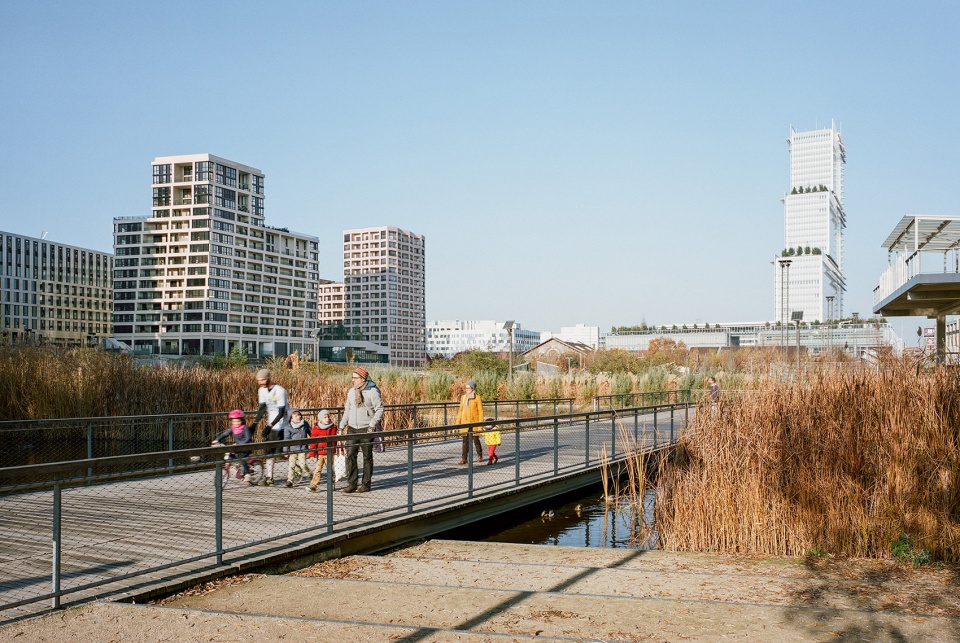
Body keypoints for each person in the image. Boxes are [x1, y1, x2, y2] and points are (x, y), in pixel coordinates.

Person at [339, 366, 384, 493]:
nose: (352, 380)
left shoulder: (372, 391)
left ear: (363, 379)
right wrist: (341, 426)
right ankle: (352, 483)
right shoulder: (351, 392)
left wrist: (372, 424)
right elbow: (347, 410)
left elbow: (380, 409)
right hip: (352, 428)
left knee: (367, 457)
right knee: (350, 455)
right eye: (352, 378)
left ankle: (366, 484)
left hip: (366, 428)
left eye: (355, 378)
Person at [252, 368, 289, 487]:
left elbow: (281, 412)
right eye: (258, 380)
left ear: (268, 378)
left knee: (281, 452)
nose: (260, 383)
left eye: (263, 380)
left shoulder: (280, 391)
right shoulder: (261, 390)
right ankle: (269, 477)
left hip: (281, 423)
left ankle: (295, 469)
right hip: (271, 422)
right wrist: (254, 424)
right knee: (269, 451)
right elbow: (262, 408)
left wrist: (270, 426)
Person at [211, 409, 254, 484]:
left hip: (246, 446)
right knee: (230, 457)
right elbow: (225, 434)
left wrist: (239, 445)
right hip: (237, 447)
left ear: (242, 421)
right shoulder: (233, 428)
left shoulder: (245, 428)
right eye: (234, 421)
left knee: (242, 458)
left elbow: (247, 439)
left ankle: (247, 474)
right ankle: (237, 468)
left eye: (238, 421)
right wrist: (217, 440)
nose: (236, 423)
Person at [307, 409, 338, 493]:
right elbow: (313, 442)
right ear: (320, 419)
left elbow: (335, 440)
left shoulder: (333, 427)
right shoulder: (316, 429)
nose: (327, 419)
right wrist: (312, 454)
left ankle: (331, 483)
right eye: (325, 417)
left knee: (330, 469)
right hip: (320, 453)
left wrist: (336, 449)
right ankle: (313, 485)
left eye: (328, 417)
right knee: (318, 469)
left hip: (329, 452)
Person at [456, 379, 484, 465]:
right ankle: (464, 458)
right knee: (465, 441)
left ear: (472, 388)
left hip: (474, 422)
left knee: (476, 440)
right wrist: (458, 422)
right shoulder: (463, 397)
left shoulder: (477, 398)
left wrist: (480, 424)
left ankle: (480, 455)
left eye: (468, 388)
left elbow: (480, 411)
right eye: (466, 388)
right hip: (465, 422)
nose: (466, 390)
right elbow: (461, 410)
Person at [283, 409, 311, 487]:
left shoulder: (305, 424)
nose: (298, 417)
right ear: (291, 418)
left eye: (299, 415)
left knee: (303, 464)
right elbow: (286, 439)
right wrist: (286, 451)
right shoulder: (288, 427)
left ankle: (309, 474)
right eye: (295, 416)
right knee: (291, 465)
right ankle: (290, 480)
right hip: (293, 449)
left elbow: (311, 433)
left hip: (302, 448)